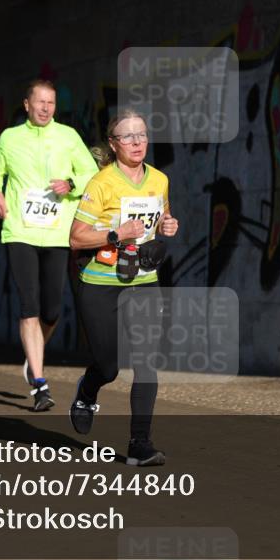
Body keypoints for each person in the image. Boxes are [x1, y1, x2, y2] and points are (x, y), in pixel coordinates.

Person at [69, 109, 179, 466]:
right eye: (128, 136)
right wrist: (117, 234)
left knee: (146, 362)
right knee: (108, 366)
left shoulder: (159, 179)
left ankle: (139, 444)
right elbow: (76, 238)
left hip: (143, 280)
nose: (137, 142)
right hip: (100, 283)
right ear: (113, 144)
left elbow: (160, 217)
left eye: (142, 135)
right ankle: (88, 390)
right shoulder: (101, 183)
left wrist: (167, 226)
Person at [0, 79, 98, 411]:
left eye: (51, 103)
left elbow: (91, 174)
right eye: (40, 102)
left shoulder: (68, 136)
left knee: (51, 310)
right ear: (27, 105)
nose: (46, 108)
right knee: (29, 305)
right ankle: (39, 382)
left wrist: (71, 183)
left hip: (57, 233)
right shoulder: (10, 138)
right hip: (20, 231)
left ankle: (34, 353)